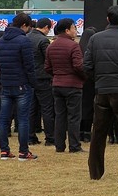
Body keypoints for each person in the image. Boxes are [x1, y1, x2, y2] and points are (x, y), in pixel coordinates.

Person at [85, 5, 118, 179]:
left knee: (98, 131)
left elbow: (87, 66)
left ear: (107, 19)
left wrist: (98, 80)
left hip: (101, 89)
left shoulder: (95, 39)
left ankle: (95, 172)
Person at [0, 13, 37, 161]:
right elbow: (29, 66)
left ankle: (4, 151)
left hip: (5, 83)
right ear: (24, 25)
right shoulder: (24, 41)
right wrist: (33, 83)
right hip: (22, 84)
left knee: (3, 118)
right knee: (23, 119)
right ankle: (23, 152)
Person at [44, 18, 85, 153]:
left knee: (60, 116)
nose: (76, 30)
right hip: (73, 84)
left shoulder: (51, 46)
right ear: (67, 30)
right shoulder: (74, 46)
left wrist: (57, 74)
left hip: (57, 84)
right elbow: (78, 66)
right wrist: (84, 77)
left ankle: (59, 145)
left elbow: (47, 67)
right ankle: (74, 146)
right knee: (74, 117)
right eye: (74, 28)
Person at [26, 17, 54, 147]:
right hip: (43, 78)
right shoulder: (43, 40)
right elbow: (49, 59)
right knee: (47, 109)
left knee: (31, 109)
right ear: (46, 27)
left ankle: (30, 136)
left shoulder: (26, 37)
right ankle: (50, 138)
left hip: (29, 78)